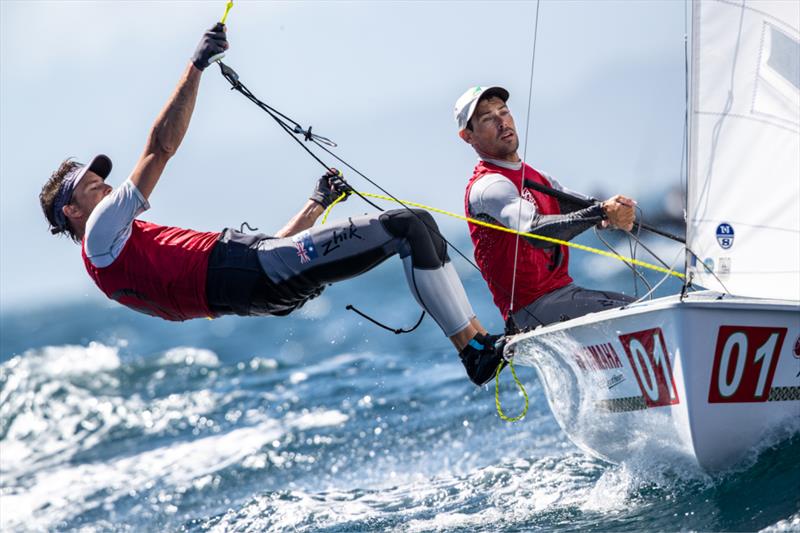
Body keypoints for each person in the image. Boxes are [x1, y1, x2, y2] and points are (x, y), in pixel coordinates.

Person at [38, 24, 505, 387]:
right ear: (71, 214)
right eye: (89, 185)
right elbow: (160, 148)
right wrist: (195, 66)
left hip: (262, 281)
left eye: (101, 178)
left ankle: (479, 343)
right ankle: (475, 350)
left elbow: (273, 258)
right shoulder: (100, 235)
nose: (103, 185)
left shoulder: (124, 257)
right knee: (409, 226)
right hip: (260, 273)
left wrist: (317, 202)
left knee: (411, 227)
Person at [455, 86, 638, 331]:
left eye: (504, 112)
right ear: (468, 136)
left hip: (565, 294)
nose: (502, 122)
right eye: (488, 119)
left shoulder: (539, 178)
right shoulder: (489, 186)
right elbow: (535, 231)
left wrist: (614, 213)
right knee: (637, 314)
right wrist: (600, 213)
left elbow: (587, 209)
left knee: (639, 306)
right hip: (531, 311)